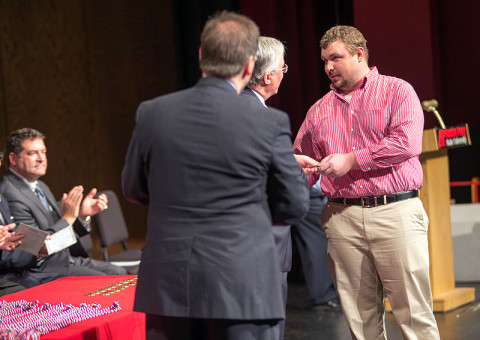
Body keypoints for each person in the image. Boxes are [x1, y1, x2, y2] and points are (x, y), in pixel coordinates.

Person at [122, 11, 312, 340]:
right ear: (250, 66)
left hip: (169, 287)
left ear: (201, 57)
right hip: (242, 285)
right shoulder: (269, 122)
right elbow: (294, 205)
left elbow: (133, 188)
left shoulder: (152, 113)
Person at [293, 25, 440, 339]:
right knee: (360, 321)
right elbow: (302, 163)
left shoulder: (397, 91)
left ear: (359, 54)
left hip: (394, 213)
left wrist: (351, 159)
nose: (328, 67)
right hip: (342, 217)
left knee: (414, 314)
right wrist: (295, 171)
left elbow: (407, 143)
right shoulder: (318, 111)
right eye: (323, 61)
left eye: (336, 58)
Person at [0, 128, 127, 288]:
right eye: (33, 153)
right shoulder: (9, 193)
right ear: (13, 158)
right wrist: (68, 218)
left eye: (43, 152)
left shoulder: (41, 185)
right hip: (48, 267)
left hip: (68, 257)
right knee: (110, 283)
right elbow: (36, 246)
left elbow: (60, 231)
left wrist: (81, 215)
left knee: (120, 273)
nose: (41, 158)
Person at [240, 36, 291, 340]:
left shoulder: (229, 108)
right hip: (266, 240)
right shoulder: (267, 119)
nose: (285, 73)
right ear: (269, 76)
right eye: (283, 67)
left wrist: (287, 160)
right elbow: (290, 197)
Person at [291, 178, 339, 310]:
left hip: (304, 190)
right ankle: (322, 296)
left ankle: (322, 294)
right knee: (318, 241)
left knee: (309, 241)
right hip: (307, 190)